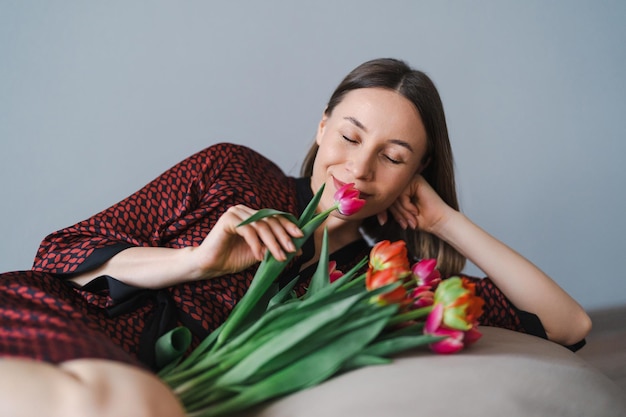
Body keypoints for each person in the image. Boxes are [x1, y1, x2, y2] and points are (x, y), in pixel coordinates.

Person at [0, 58, 591, 416]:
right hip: (51, 316)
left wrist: (443, 221)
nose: (360, 170)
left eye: (394, 157)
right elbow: (61, 253)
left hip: (133, 384)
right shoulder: (235, 171)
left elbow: (568, 326)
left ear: (416, 175)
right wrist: (194, 263)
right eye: (350, 137)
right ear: (322, 125)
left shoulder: (384, 279)